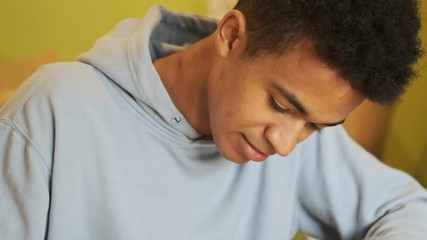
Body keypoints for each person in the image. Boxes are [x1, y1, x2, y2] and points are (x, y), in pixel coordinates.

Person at [1, 0, 426, 239]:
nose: (284, 144)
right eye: (280, 104)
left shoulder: (297, 138)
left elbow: (407, 208)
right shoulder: (55, 111)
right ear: (231, 36)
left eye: (316, 125)